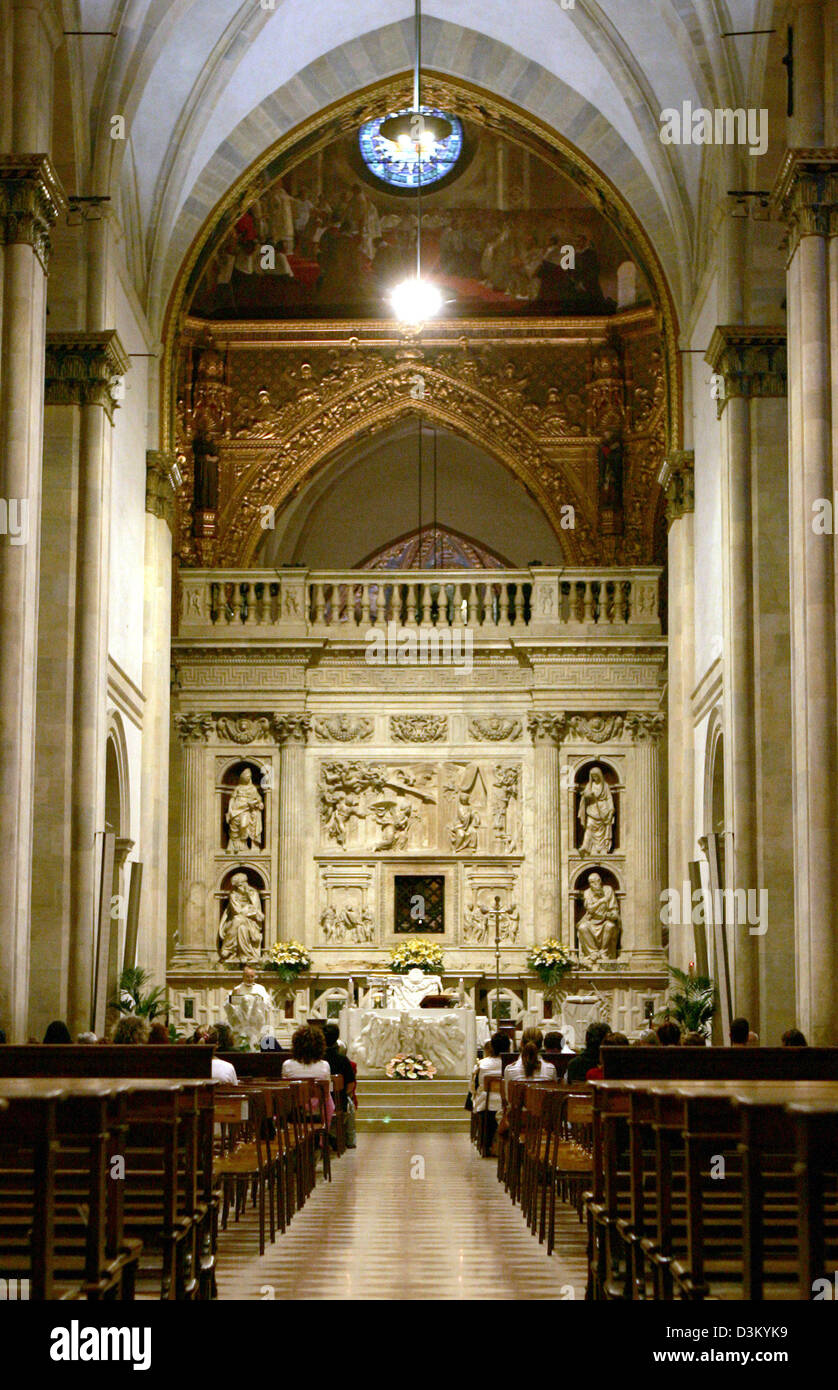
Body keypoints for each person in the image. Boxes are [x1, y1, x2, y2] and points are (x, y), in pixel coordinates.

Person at [472, 1031, 511, 1152]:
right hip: (507, 1104)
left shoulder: (482, 1064)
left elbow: (472, 1086)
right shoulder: (511, 1065)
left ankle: (486, 1144)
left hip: (487, 1105)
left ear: (492, 1046)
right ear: (508, 1047)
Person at [322, 1022, 357, 1149]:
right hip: (337, 1103)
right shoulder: (343, 1060)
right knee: (350, 1105)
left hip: (313, 1103)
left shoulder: (317, 1059)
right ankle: (348, 1139)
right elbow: (350, 1085)